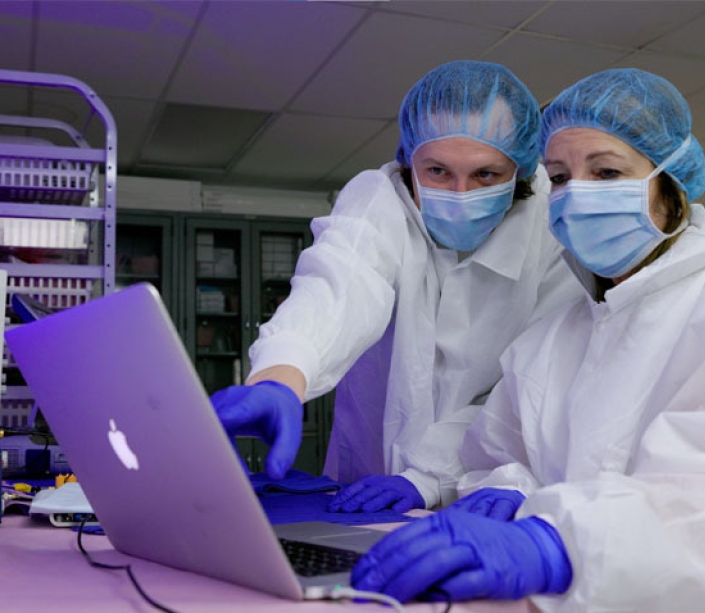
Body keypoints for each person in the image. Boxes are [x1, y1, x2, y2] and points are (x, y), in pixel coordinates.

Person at [350, 68, 705, 611]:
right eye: (561, 178)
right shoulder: (556, 335)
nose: (579, 197)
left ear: (672, 182)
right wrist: (504, 485)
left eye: (608, 171)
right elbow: (500, 453)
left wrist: (560, 543)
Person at [210, 60, 584, 512]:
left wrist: (430, 478)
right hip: (363, 483)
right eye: (438, 171)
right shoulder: (379, 196)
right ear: (408, 162)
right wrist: (281, 376)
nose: (461, 193)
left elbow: (526, 384)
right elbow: (341, 284)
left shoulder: (553, 229)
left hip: (484, 486)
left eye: (486, 175)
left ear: (522, 171)